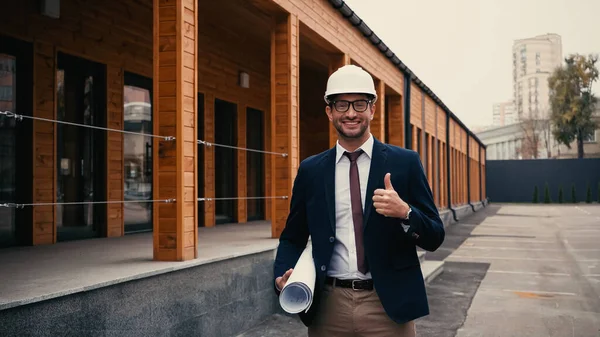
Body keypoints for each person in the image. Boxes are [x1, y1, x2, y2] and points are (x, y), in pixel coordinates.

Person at [273, 64, 445, 337]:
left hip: (387, 306)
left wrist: (405, 212)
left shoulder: (405, 163)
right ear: (329, 111)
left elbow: (435, 236)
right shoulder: (311, 170)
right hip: (329, 306)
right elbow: (292, 237)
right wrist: (283, 273)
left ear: (372, 109)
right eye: (342, 105)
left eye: (360, 104)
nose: (351, 113)